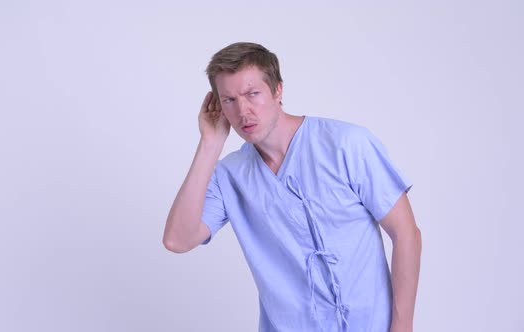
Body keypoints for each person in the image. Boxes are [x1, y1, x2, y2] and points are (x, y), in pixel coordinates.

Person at [163, 42, 421, 332]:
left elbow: (406, 233)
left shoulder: (347, 144)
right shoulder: (229, 176)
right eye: (229, 100)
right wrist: (210, 144)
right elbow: (178, 240)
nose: (243, 111)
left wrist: (402, 325)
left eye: (252, 94)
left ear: (278, 90)